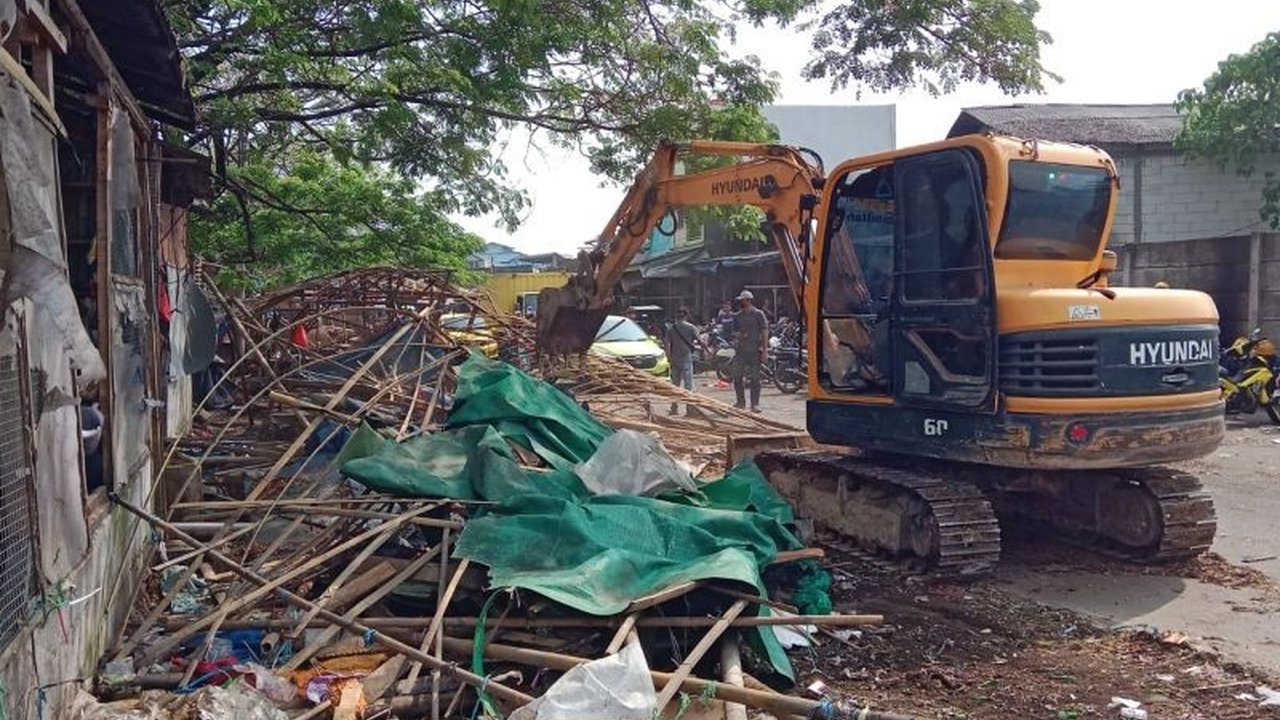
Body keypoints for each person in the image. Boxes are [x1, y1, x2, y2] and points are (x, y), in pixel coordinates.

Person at [731, 289, 768, 412]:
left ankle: (755, 404)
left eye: (742, 300)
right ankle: (740, 402)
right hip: (741, 350)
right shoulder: (737, 316)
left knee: (755, 378)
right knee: (737, 376)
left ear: (748, 300)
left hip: (754, 350)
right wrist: (739, 335)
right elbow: (733, 332)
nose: (740, 302)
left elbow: (764, 331)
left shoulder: (758, 314)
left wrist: (765, 350)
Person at [664, 307, 701, 415]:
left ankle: (674, 408)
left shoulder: (671, 329)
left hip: (675, 359)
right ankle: (689, 409)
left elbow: (667, 344)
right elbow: (700, 341)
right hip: (686, 359)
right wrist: (708, 351)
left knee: (675, 385)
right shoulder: (691, 327)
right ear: (686, 315)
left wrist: (668, 357)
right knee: (688, 385)